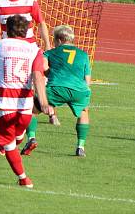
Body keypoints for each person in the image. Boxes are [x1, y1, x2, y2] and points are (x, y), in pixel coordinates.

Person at [0, 15, 49, 189]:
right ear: (27, 30)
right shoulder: (35, 50)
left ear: (7, 29)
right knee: (17, 135)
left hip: (5, 105)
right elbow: (38, 75)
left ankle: (24, 179)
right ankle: (19, 136)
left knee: (7, 144)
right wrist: (43, 102)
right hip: (25, 108)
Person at [20, 25, 92, 158]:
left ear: (59, 40)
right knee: (83, 113)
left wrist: (53, 73)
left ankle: (31, 138)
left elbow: (43, 69)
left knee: (32, 110)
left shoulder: (50, 53)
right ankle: (80, 147)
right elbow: (87, 80)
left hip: (56, 88)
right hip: (79, 90)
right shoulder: (83, 55)